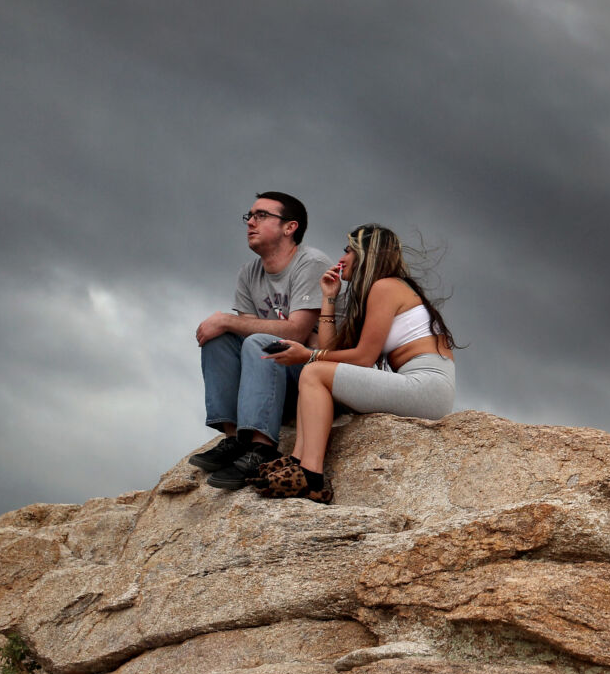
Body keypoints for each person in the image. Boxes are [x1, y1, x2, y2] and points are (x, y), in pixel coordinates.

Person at [257, 223, 458, 503]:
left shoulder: (386, 287)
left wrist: (308, 355)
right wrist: (329, 298)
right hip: (425, 387)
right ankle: (297, 462)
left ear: (367, 256)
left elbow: (361, 359)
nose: (341, 259)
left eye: (349, 251)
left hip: (426, 386)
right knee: (315, 371)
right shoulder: (383, 290)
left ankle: (309, 474)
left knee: (313, 371)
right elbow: (332, 353)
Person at [188, 192, 331, 489]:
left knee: (255, 340)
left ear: (289, 227)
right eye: (249, 216)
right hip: (268, 381)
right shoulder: (249, 273)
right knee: (220, 339)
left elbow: (298, 333)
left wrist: (226, 318)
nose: (250, 222)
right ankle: (234, 439)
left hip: (312, 378)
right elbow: (246, 330)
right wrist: (227, 325)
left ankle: (262, 448)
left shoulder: (311, 263)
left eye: (261, 216)